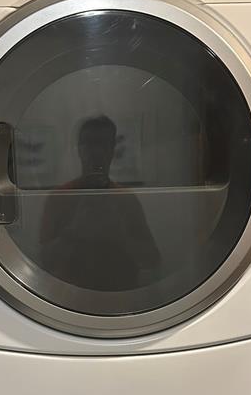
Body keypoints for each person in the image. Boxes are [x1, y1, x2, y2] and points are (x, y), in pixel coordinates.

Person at [39, 115, 161, 292]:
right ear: (79, 149)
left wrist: (120, 234)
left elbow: (152, 260)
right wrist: (74, 230)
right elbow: (46, 261)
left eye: (102, 144)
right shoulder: (60, 197)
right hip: (73, 295)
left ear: (112, 150)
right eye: (89, 144)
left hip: (119, 294)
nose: (95, 152)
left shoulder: (125, 199)